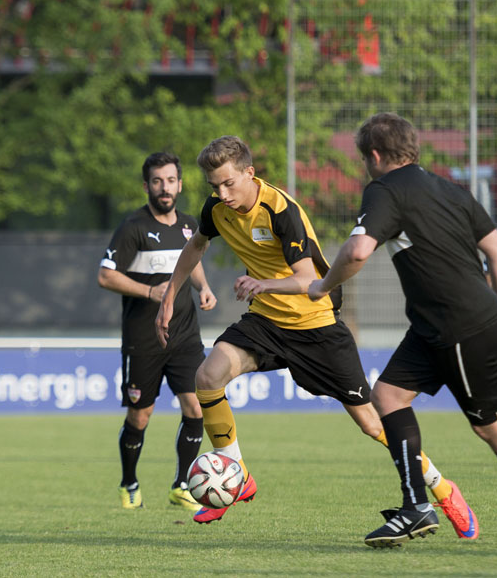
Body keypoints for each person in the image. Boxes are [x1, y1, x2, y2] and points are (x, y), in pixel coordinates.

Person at [154, 135, 477, 538]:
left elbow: (310, 280)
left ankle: (443, 489)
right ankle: (236, 478)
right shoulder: (217, 208)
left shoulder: (281, 211)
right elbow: (195, 246)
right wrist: (170, 296)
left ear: (249, 173)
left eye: (229, 184)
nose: (221, 193)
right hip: (268, 323)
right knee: (207, 378)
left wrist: (262, 284)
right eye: (214, 186)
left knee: (372, 424)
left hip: (316, 326)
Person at [308, 112, 497, 547]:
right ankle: (415, 506)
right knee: (387, 396)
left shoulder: (385, 188)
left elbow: (356, 251)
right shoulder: (450, 189)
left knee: (488, 423)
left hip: (458, 323)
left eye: (364, 158)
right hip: (438, 324)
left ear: (374, 155)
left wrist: (322, 285)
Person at [99, 152, 218, 510]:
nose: (164, 188)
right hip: (144, 338)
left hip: (184, 334)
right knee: (141, 415)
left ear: (180, 184)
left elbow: (189, 261)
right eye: (156, 181)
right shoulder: (133, 227)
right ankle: (129, 481)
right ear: (146, 186)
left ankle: (181, 485)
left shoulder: (187, 225)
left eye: (170, 180)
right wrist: (150, 291)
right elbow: (106, 275)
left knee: (196, 408)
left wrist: (203, 287)